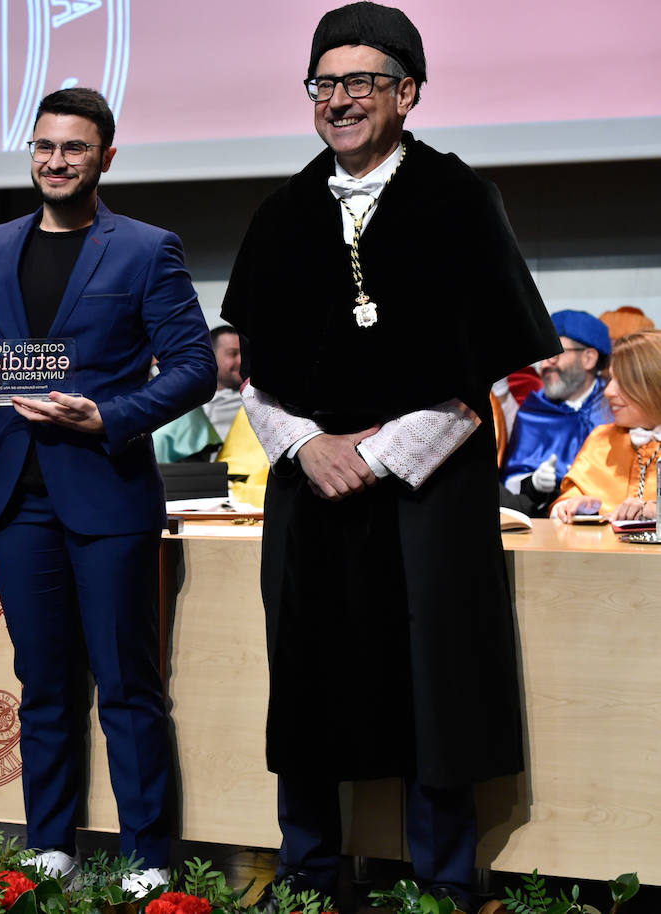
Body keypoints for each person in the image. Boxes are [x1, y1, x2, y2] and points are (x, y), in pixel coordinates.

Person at [218, 4, 559, 910]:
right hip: (311, 482)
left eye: (361, 82)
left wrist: (376, 453)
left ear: (406, 93)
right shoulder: (284, 211)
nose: (340, 100)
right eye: (325, 84)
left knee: (434, 673)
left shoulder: (457, 198)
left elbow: (478, 363)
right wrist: (307, 445)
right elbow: (251, 370)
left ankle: (441, 882)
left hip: (426, 484)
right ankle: (307, 874)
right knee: (308, 671)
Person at [0, 88, 215, 897]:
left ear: (106, 158)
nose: (57, 161)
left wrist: (110, 415)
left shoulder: (146, 248)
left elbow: (194, 365)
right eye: (45, 146)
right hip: (17, 489)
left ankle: (148, 857)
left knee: (128, 686)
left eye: (75, 149)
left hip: (108, 489)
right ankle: (50, 841)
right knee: (43, 681)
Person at [500, 309, 613, 511]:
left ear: (589, 358)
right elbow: (511, 481)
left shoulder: (616, 405)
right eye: (543, 354)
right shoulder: (532, 412)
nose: (547, 362)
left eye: (556, 352)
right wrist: (533, 483)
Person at [551, 330, 661, 523]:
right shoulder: (602, 440)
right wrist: (577, 507)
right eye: (611, 379)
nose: (609, 391)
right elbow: (565, 501)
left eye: (624, 382)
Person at [204, 325, 245, 442]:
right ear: (211, 356)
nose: (241, 360)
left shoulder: (258, 402)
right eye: (233, 353)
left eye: (244, 353)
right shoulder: (188, 401)